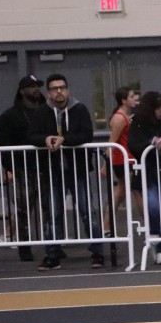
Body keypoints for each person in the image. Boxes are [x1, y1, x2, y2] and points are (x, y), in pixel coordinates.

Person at [28, 73, 105, 270]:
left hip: (78, 170)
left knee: (88, 212)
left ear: (68, 90)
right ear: (48, 93)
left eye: (62, 88)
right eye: (54, 89)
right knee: (53, 215)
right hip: (52, 171)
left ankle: (97, 253)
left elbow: (87, 134)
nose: (59, 92)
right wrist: (45, 139)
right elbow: (31, 136)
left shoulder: (80, 109)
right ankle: (52, 255)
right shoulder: (41, 112)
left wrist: (65, 140)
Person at [128, 92, 161, 266]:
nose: (160, 111)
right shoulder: (138, 122)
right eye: (157, 108)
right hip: (149, 172)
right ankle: (154, 234)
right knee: (152, 206)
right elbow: (133, 145)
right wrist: (150, 143)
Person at [0, 75, 45, 262]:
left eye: (37, 85)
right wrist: (10, 168)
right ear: (22, 91)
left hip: (45, 167)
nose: (36, 89)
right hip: (22, 169)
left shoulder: (47, 112)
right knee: (23, 210)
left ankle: (53, 246)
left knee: (50, 208)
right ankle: (24, 247)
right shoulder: (9, 116)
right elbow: (2, 144)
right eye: (31, 86)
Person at [102, 87, 141, 237]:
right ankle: (152, 228)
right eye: (131, 96)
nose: (135, 98)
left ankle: (106, 226)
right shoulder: (119, 118)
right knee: (137, 190)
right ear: (124, 100)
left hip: (126, 158)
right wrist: (106, 165)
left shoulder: (125, 116)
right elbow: (112, 142)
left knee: (120, 192)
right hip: (123, 160)